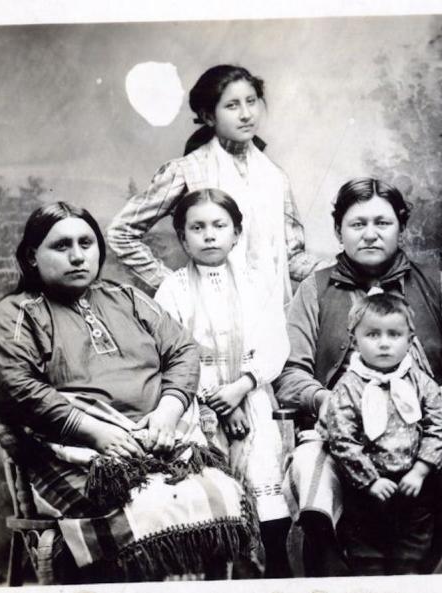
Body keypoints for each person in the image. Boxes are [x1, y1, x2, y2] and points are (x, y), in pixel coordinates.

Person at [0, 202, 262, 581]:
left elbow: (182, 351)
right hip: (77, 458)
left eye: (87, 243)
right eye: (61, 246)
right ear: (32, 256)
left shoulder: (127, 298)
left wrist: (168, 410)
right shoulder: (16, 315)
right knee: (149, 504)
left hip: (160, 440)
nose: (78, 256)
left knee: (223, 495)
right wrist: (97, 433)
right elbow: (15, 387)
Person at [274, 177, 442, 575]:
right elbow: (289, 372)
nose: (370, 234)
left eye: (382, 223)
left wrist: (435, 404)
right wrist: (327, 403)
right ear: (339, 230)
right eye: (357, 224)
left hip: (426, 435)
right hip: (341, 439)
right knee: (310, 474)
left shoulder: (435, 285)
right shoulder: (314, 289)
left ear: (401, 227)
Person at [152, 189, 291, 577]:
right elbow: (173, 354)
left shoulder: (257, 282)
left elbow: (275, 342)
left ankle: (277, 573)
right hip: (199, 407)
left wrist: (243, 385)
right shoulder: (173, 290)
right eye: (197, 228)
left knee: (264, 482)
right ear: (182, 238)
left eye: (219, 226)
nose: (209, 235)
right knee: (213, 491)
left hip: (252, 394)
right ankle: (217, 578)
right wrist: (217, 402)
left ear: (236, 233)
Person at [107, 64, 322, 303]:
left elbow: (291, 257)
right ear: (209, 116)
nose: (246, 114)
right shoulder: (187, 170)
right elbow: (120, 232)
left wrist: (341, 268)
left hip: (270, 312)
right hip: (209, 311)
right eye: (232, 105)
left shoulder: (275, 176)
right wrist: (174, 288)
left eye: (251, 101)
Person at [324, 293, 442, 575]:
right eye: (372, 334)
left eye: (394, 334)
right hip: (366, 489)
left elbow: (437, 425)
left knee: (412, 556)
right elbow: (342, 439)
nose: (383, 343)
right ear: (355, 340)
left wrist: (420, 470)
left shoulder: (419, 382)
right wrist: (370, 481)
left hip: (414, 486)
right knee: (367, 558)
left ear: (410, 339)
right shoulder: (348, 387)